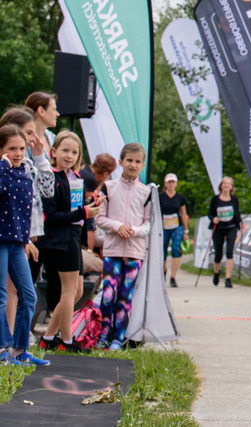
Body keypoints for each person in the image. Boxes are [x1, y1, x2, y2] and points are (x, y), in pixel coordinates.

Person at [38, 131, 102, 353]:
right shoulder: (52, 178)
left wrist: (90, 203)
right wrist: (84, 212)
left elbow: (75, 209)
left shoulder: (74, 178)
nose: (70, 155)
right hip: (59, 241)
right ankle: (66, 341)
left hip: (73, 239)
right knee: (68, 291)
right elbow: (53, 216)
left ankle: (48, 337)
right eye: (65, 150)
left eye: (74, 152)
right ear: (53, 152)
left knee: (74, 292)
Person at [94, 143, 151, 350]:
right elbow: (100, 218)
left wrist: (134, 231)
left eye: (137, 162)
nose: (133, 165)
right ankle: (103, 334)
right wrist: (118, 227)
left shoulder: (146, 192)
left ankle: (119, 337)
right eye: (129, 160)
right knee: (108, 294)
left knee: (125, 296)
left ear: (143, 165)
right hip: (112, 250)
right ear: (121, 162)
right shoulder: (108, 188)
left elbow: (149, 223)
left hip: (135, 252)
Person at [0, 125, 49, 366]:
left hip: (17, 242)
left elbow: (24, 211)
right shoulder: (2, 171)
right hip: (0, 241)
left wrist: (27, 239)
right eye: (11, 149)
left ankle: (19, 349)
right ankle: (2, 349)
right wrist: (2, 166)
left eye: (21, 148)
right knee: (1, 296)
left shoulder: (24, 172)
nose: (18, 153)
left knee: (28, 294)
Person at [207, 177, 241, 288]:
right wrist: (213, 219)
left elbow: (237, 213)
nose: (226, 185)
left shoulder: (234, 199)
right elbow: (210, 214)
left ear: (231, 187)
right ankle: (216, 273)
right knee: (218, 254)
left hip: (231, 227)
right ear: (221, 186)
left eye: (228, 183)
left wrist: (240, 222)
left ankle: (228, 278)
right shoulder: (215, 199)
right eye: (224, 183)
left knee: (230, 252)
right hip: (219, 228)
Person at [159, 173, 189, 287]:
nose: (171, 184)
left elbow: (183, 214)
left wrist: (185, 232)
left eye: (173, 182)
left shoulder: (180, 198)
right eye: (169, 182)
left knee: (176, 249)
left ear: (176, 184)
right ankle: (163, 269)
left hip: (177, 226)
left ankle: (173, 277)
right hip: (164, 226)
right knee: (163, 251)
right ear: (165, 184)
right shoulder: (160, 196)